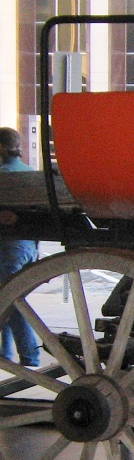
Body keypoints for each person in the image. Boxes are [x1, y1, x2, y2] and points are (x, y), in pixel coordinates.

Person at [0, 127, 41, 367]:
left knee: (11, 302)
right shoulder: (29, 172)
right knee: (8, 298)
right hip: (27, 248)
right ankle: (5, 352)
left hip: (7, 249)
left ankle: (29, 354)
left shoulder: (3, 176)